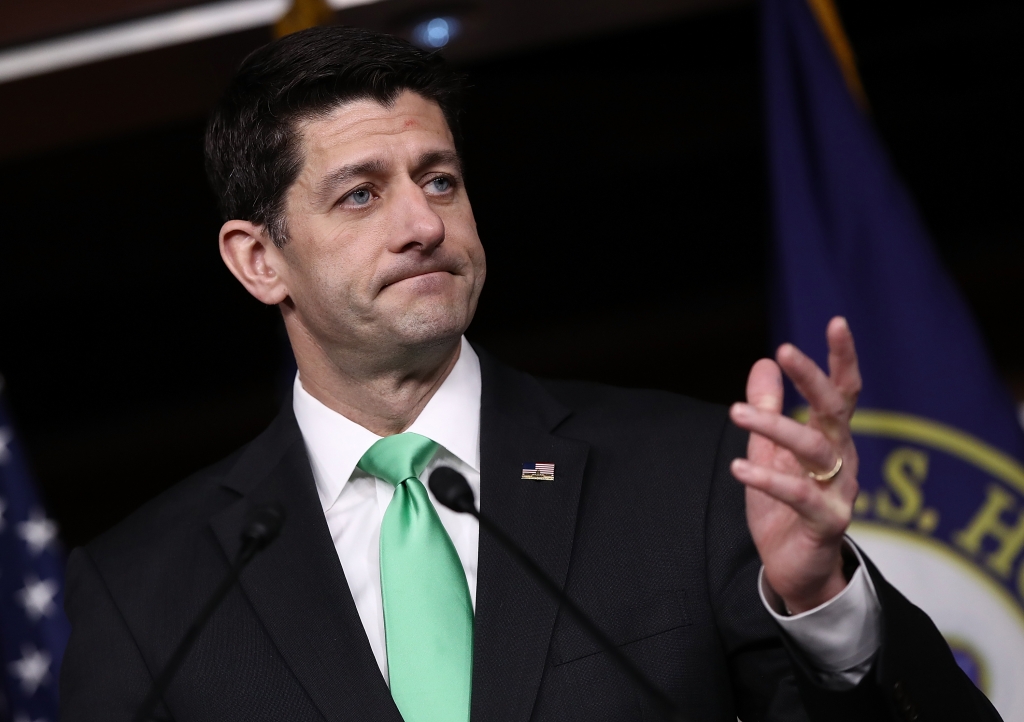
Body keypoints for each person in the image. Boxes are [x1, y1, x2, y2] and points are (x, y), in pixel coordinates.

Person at [60, 26, 999, 722]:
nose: (424, 224)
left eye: (439, 179)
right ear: (258, 260)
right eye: (361, 194)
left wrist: (818, 599)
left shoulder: (687, 475)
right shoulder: (147, 592)